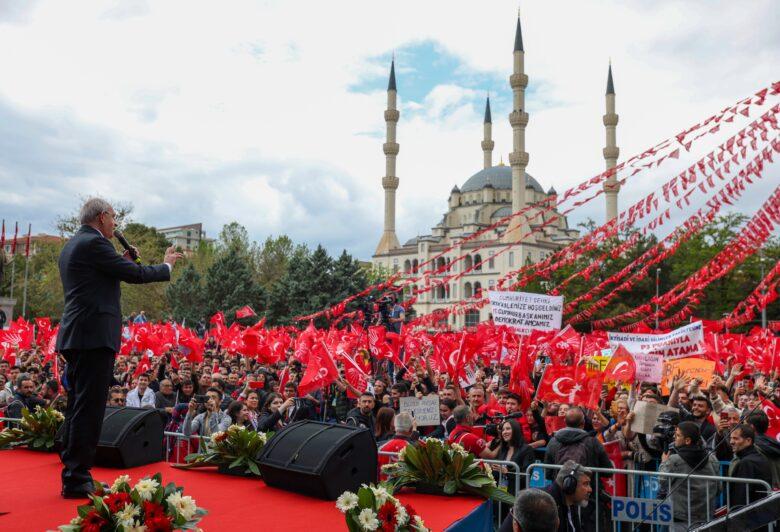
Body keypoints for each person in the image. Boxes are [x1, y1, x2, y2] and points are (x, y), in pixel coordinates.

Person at [56, 197, 180, 498]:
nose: (115, 223)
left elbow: (100, 279)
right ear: (101, 217)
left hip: (78, 334)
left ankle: (74, 470)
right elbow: (136, 275)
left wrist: (121, 259)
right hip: (93, 336)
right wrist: (166, 265)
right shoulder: (95, 245)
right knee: (89, 407)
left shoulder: (74, 244)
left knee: (79, 404)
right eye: (113, 218)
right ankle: (77, 477)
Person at [658, 421, 720, 530]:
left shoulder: (674, 460)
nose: (674, 437)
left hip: (681, 518)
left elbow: (662, 480)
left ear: (687, 440)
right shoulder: (712, 459)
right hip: (705, 517)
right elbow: (718, 488)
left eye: (677, 435)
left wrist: (664, 462)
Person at [728, 424, 772, 509]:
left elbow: (740, 495)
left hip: (748, 515)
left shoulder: (747, 463)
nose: (731, 442)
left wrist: (736, 514)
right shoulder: (758, 457)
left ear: (748, 441)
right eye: (731, 438)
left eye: (736, 438)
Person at [490, 419, 535, 494]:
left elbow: (526, 477)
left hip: (517, 495)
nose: (504, 432)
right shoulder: (502, 449)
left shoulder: (527, 449)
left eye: (508, 429)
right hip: (500, 495)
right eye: (503, 430)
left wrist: (507, 472)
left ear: (516, 430)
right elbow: (497, 473)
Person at [746, 411, 780, 489]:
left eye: (745, 424)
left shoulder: (753, 446)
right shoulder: (774, 442)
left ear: (751, 427)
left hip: (763, 490)